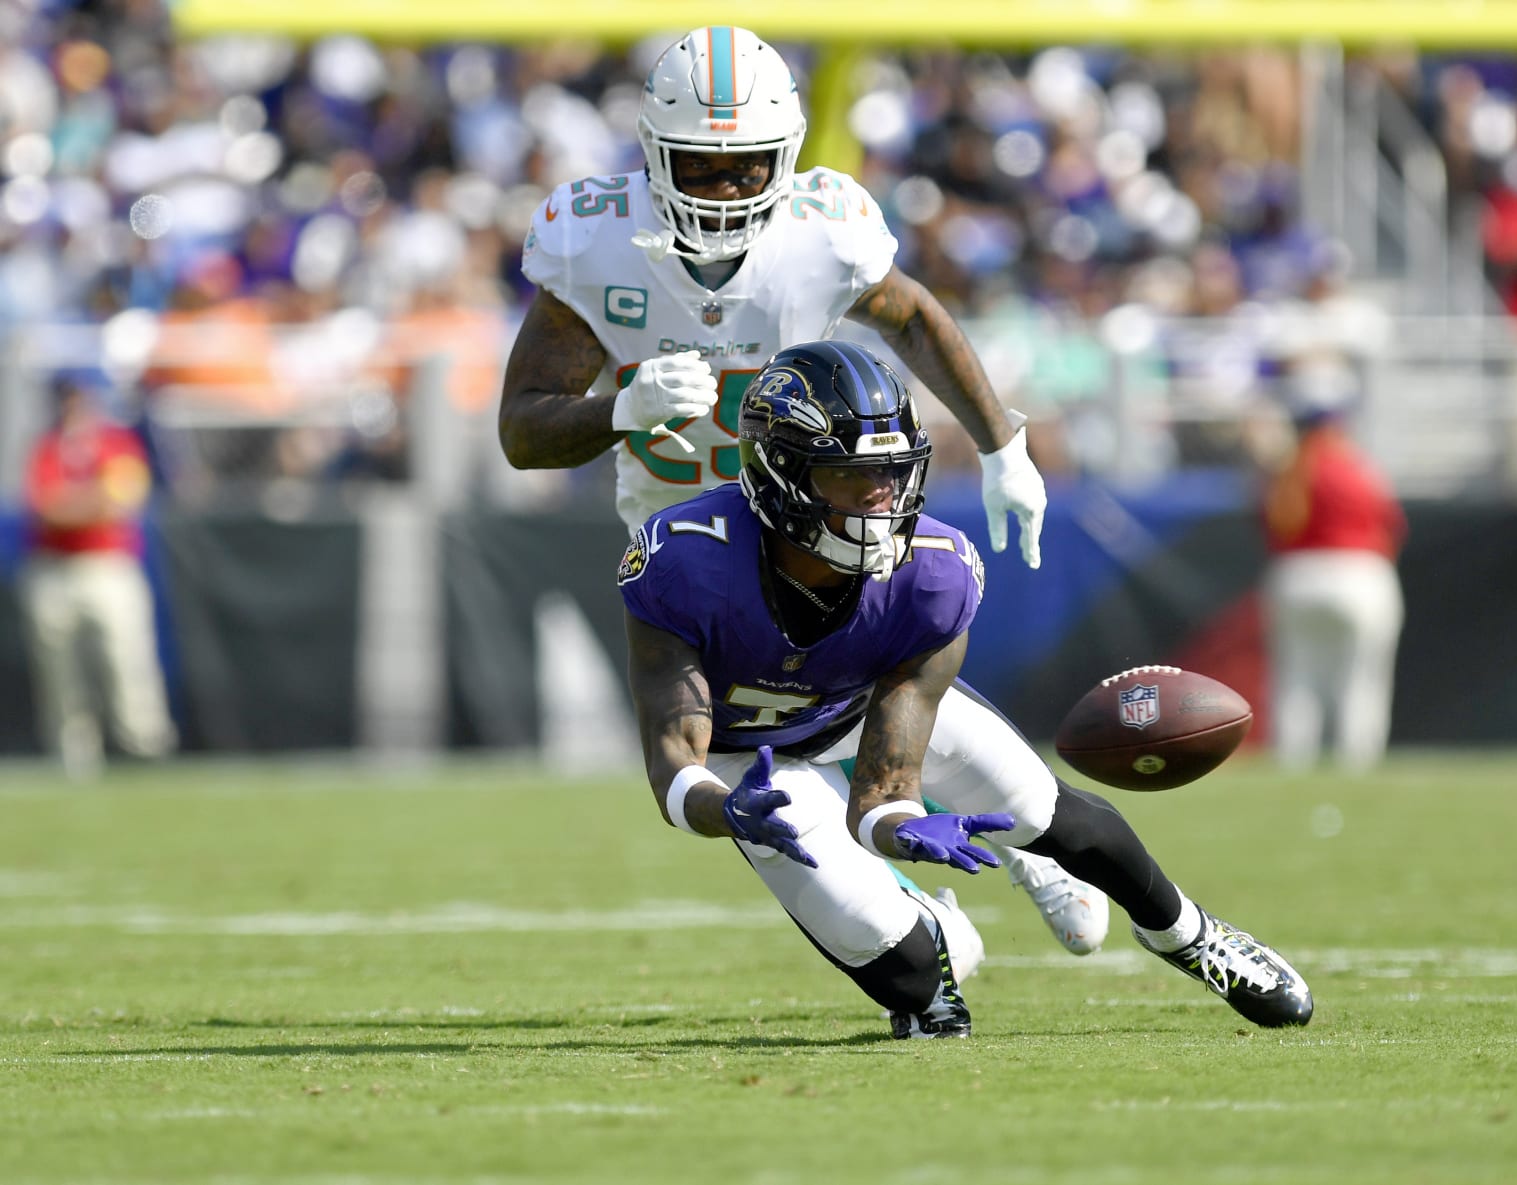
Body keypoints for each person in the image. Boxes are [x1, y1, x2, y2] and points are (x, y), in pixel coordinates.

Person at [497, 26, 1104, 956]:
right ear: (656, 158)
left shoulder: (822, 229)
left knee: (882, 670)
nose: (731, 187)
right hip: (689, 545)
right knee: (762, 734)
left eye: (749, 166)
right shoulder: (597, 242)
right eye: (703, 166)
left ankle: (1027, 838)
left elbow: (916, 319)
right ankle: (909, 882)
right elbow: (523, 430)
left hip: (815, 507)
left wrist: (1002, 442)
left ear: (785, 157)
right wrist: (619, 408)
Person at [620, 340, 1312, 1038]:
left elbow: (883, 793)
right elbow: (675, 761)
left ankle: (1192, 934)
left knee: (1044, 809)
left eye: (892, 474)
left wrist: (905, 825)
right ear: (782, 475)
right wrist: (729, 809)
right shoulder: (687, 559)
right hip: (752, 763)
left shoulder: (934, 573)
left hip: (860, 709)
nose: (880, 498)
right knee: (924, 993)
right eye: (850, 477)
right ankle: (937, 923)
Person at [20, 373, 177, 777]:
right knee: (60, 669)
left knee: (126, 660)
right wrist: (92, 500)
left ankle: (144, 746)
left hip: (108, 565)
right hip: (55, 567)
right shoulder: (47, 448)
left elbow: (123, 501)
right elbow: (46, 507)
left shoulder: (116, 444)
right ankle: (74, 754)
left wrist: (77, 503)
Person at [1254, 372, 1407, 772]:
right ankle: (1357, 766)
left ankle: (1292, 765)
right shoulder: (1360, 465)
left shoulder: (1287, 469)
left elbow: (1269, 523)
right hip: (1361, 573)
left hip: (1296, 574)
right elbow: (1392, 524)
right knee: (1362, 680)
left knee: (1296, 680)